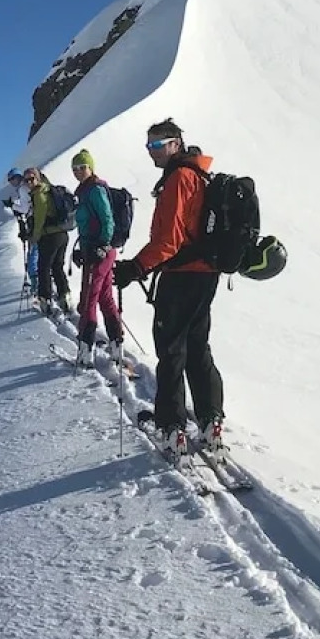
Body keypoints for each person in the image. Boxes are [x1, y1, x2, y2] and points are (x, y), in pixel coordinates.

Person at [114, 119, 224, 459]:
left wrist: (136, 267)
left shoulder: (180, 178)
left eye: (157, 145)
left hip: (181, 275)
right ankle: (210, 421)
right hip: (205, 273)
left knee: (172, 350)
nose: (151, 153)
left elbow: (169, 240)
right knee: (196, 346)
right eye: (148, 146)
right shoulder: (197, 176)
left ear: (175, 144)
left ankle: (171, 428)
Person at [68, 148, 123, 368]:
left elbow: (107, 218)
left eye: (82, 167)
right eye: (75, 169)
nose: (78, 172)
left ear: (91, 167)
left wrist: (102, 243)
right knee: (104, 297)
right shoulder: (84, 191)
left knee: (89, 297)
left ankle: (86, 348)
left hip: (99, 251)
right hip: (96, 250)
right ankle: (116, 343)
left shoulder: (94, 190)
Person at [25, 167, 72, 316]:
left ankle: (45, 299)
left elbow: (40, 218)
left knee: (43, 267)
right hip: (62, 235)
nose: (29, 182)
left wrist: (35, 237)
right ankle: (65, 295)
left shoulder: (39, 194)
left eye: (31, 179)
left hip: (49, 236)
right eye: (26, 180)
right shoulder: (49, 190)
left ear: (38, 178)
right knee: (57, 266)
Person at [3, 168, 38, 288]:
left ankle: (36, 286)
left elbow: (24, 208)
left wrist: (13, 205)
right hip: (37, 222)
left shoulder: (23, 189)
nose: (11, 182)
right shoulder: (28, 187)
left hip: (34, 223)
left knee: (33, 256)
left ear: (17, 177)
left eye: (12, 179)